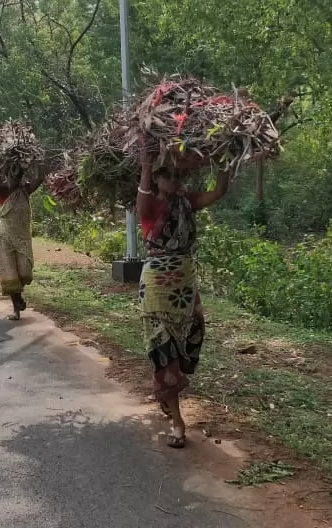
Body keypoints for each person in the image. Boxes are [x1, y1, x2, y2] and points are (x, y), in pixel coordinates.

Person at [136, 153, 230, 448]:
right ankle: (177, 420)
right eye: (169, 176)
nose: (175, 181)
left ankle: (168, 395)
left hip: (185, 282)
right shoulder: (150, 205)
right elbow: (144, 186)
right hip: (156, 285)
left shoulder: (187, 201)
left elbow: (219, 191)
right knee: (164, 350)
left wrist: (226, 158)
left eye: (179, 176)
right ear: (158, 179)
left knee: (193, 334)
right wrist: (147, 162)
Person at [0, 171, 42, 320]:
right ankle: (16, 309)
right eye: (11, 176)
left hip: (22, 237)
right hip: (5, 237)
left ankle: (18, 297)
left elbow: (39, 177)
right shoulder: (3, 189)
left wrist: (38, 163)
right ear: (6, 177)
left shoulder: (25, 190)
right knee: (9, 272)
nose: (13, 179)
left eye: (17, 176)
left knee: (24, 271)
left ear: (21, 178)